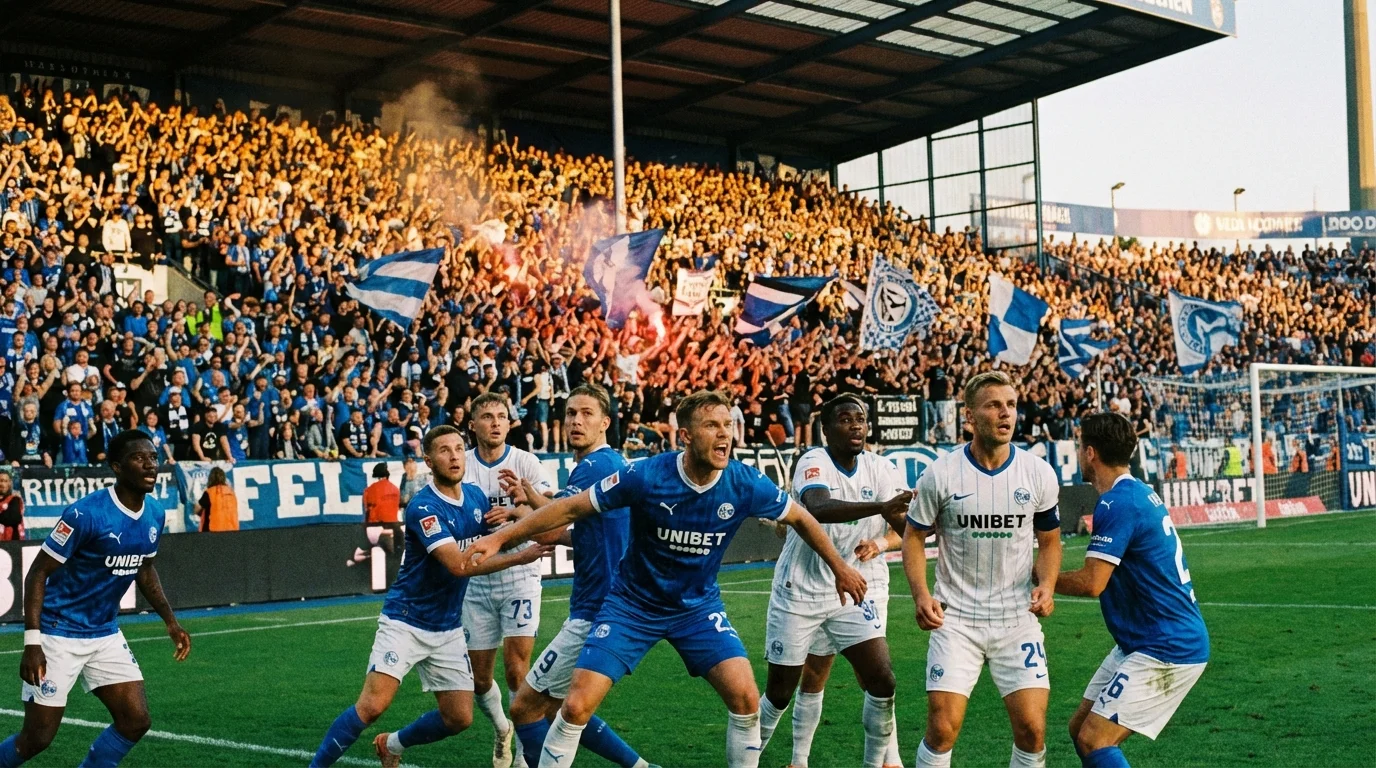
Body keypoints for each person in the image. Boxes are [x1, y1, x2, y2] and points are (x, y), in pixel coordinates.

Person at [464, 389, 867, 768]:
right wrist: (501, 537)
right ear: (686, 436)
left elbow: (800, 516)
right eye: (712, 426)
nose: (724, 433)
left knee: (745, 699)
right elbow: (570, 509)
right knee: (575, 706)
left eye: (728, 425)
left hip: (697, 608)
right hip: (632, 606)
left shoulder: (743, 482)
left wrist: (841, 567)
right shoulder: (646, 475)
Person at [307, 426, 552, 768]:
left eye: (457, 448)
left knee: (459, 718)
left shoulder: (477, 498)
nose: (453, 456)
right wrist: (520, 556)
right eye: (444, 450)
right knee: (372, 706)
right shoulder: (424, 507)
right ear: (428, 460)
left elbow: (491, 544)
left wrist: (519, 515)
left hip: (448, 626)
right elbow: (459, 566)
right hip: (406, 620)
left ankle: (392, 745)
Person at [0, 430, 191, 767]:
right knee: (36, 740)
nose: (150, 465)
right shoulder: (85, 514)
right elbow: (37, 573)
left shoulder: (155, 514)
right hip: (58, 633)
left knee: (136, 720)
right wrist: (33, 642)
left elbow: (145, 569)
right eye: (138, 457)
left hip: (104, 633)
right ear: (116, 467)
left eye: (153, 457)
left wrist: (171, 622)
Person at [902, 371, 1063, 768]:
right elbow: (912, 537)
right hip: (956, 622)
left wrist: (1047, 584)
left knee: (1032, 730)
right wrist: (922, 595)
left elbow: (1050, 541)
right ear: (970, 416)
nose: (1006, 413)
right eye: (994, 405)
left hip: (1016, 620)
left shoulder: (1038, 473)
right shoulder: (940, 473)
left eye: (1010, 404)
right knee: (942, 729)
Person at [502, 384, 651, 767]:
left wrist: (520, 520)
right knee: (562, 708)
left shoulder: (596, 465)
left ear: (605, 422)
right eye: (570, 413)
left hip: (594, 607)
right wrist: (532, 501)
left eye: (586, 413)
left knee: (524, 708)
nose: (576, 420)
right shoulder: (606, 464)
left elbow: (556, 522)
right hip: (608, 602)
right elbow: (577, 530)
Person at [758, 394, 910, 768]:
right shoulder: (814, 461)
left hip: (851, 589)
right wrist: (880, 507)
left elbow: (905, 530)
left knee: (882, 681)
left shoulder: (882, 469)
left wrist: (916, 522)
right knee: (780, 692)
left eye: (860, 419)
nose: (856, 425)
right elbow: (819, 508)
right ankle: (748, 759)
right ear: (826, 429)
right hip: (801, 589)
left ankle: (878, 764)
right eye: (845, 419)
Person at [1056, 413, 1209, 768]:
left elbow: (1094, 582)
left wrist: (1039, 577)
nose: (1080, 453)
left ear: (1090, 453)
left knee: (1095, 739)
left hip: (1168, 644)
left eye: (1081, 447)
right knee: (1080, 728)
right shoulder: (1139, 493)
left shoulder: (1117, 502)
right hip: (1143, 640)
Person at [461, 391, 554, 768]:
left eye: (502, 416)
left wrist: (516, 511)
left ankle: (526, 756)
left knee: (517, 669)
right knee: (479, 680)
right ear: (473, 425)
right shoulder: (460, 464)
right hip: (476, 579)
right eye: (487, 416)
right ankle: (503, 728)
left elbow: (549, 507)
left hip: (520, 572)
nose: (496, 422)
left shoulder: (525, 462)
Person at [363, 463, 402, 556]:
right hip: (394, 527)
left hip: (374, 527)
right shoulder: (395, 489)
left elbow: (367, 509)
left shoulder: (369, 489)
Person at [196, 467, 239, 532]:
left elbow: (196, 509)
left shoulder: (209, 492)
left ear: (210, 479)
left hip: (212, 532)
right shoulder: (231, 493)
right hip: (232, 531)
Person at [0, 471, 23, 541]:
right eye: (1, 481)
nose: (2, 484)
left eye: (5, 481)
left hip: (11, 544)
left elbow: (14, 518)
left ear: (9, 483)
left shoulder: (14, 499)